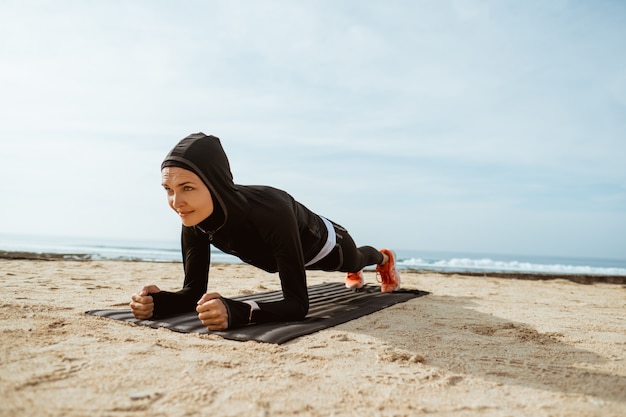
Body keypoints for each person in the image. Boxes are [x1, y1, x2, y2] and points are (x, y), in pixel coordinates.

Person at [129, 133, 400, 331]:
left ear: (215, 184)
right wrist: (159, 302)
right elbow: (192, 292)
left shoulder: (271, 211)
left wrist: (239, 312)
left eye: (187, 188)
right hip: (283, 251)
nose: (176, 202)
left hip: (325, 244)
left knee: (353, 260)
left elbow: (297, 304)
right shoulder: (194, 219)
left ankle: (384, 259)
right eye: (168, 190)